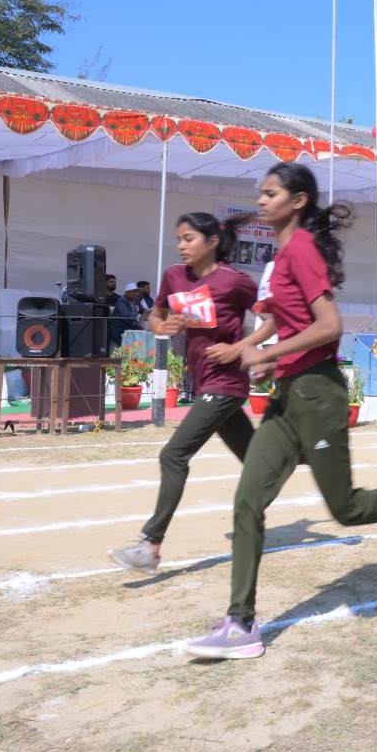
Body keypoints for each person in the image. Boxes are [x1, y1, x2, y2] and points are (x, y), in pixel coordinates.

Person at [185, 162, 377, 659]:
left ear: (298, 200)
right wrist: (266, 359)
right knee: (248, 501)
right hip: (286, 398)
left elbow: (329, 326)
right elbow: (291, 323)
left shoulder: (301, 248)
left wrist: (263, 351)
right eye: (261, 193)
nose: (261, 201)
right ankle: (241, 624)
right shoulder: (284, 255)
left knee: (346, 509)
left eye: (271, 193)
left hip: (318, 395)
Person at [108, 212, 276, 576]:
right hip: (203, 382)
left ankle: (150, 546)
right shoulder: (174, 276)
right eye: (179, 239)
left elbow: (274, 318)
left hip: (226, 384)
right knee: (256, 460)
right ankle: (298, 458)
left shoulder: (235, 281)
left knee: (173, 455)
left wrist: (241, 348)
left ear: (212, 242)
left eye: (189, 239)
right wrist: (163, 326)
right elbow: (156, 316)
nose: (181, 246)